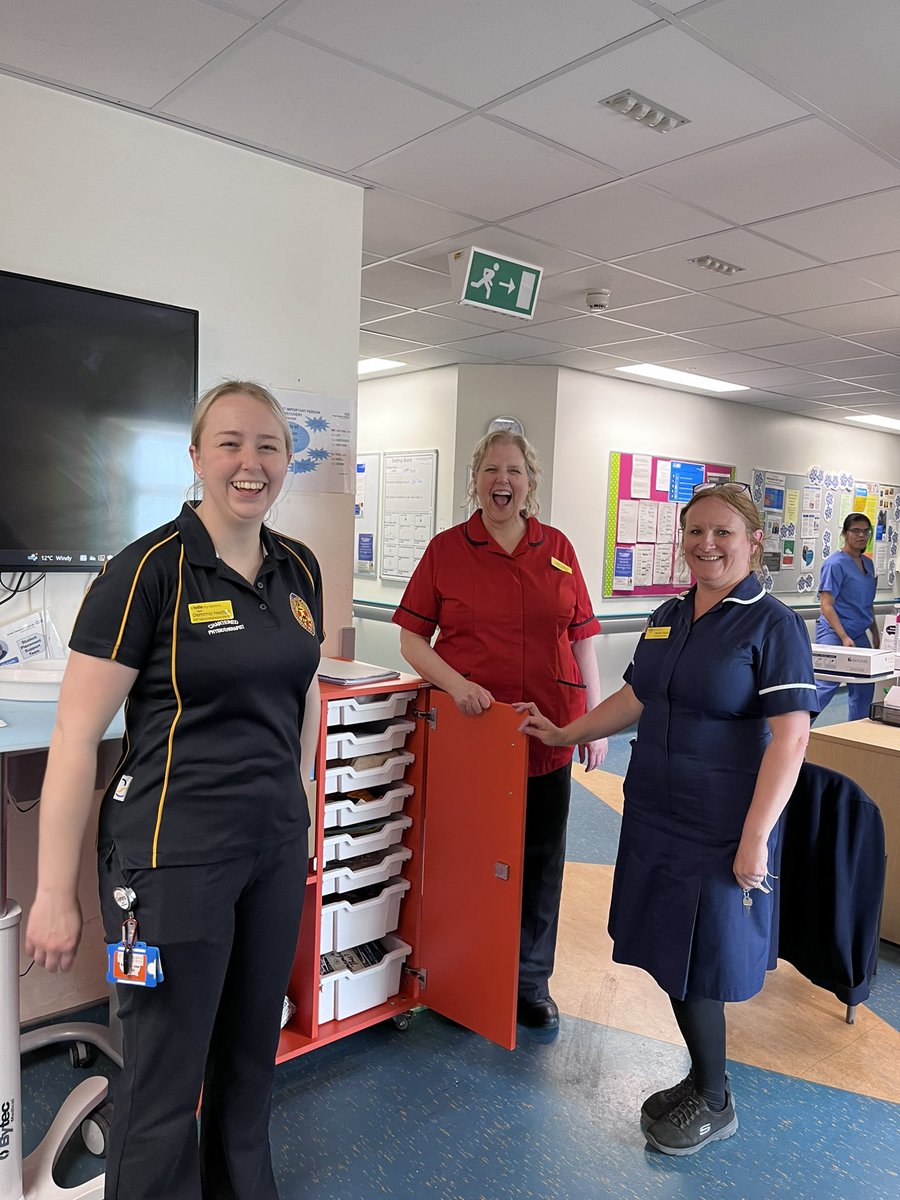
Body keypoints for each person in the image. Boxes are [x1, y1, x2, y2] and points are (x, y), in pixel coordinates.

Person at [25, 380, 323, 1200]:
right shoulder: (147, 572)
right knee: (162, 1084)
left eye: (267, 446)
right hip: (169, 861)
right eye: (229, 443)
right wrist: (55, 892)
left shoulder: (298, 569)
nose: (249, 462)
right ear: (196, 457)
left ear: (287, 461)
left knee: (248, 1064)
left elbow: (304, 693)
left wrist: (296, 804)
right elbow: (76, 735)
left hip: (269, 851)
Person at [516, 482, 818, 1155]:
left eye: (722, 533)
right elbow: (636, 696)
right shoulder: (670, 615)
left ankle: (715, 1097)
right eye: (695, 532)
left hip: (722, 822)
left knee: (703, 959)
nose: (705, 545)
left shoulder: (772, 624)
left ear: (753, 541)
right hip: (656, 809)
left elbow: (792, 738)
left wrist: (755, 839)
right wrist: (566, 735)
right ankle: (700, 1078)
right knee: (668, 948)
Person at [392, 430, 606, 1030]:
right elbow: (412, 638)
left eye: (513, 470)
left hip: (549, 734)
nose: (501, 481)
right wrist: (455, 685)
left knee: (541, 862)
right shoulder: (447, 550)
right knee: (471, 859)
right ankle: (468, 975)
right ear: (476, 480)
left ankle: (530, 982)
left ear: (530, 481)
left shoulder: (558, 548)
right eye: (490, 470)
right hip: (475, 739)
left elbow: (582, 637)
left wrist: (589, 721)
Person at [814, 512, 880, 721]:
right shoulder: (835, 564)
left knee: (865, 683)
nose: (861, 535)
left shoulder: (868, 564)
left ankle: (856, 734)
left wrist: (875, 633)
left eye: (865, 531)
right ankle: (795, 735)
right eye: (856, 531)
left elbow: (867, 604)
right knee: (827, 684)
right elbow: (827, 605)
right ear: (845, 533)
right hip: (834, 631)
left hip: (859, 632)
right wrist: (843, 636)